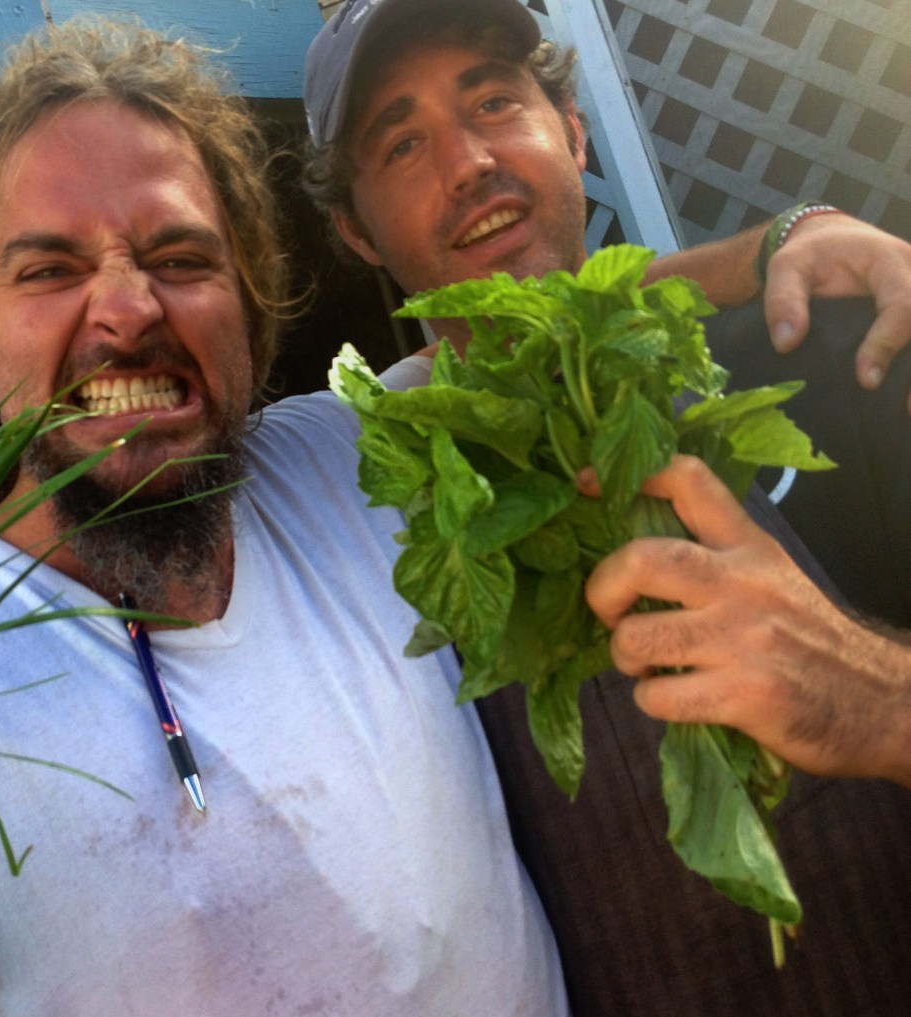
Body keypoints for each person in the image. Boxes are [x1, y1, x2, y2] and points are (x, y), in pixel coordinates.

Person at [0, 17, 567, 1016]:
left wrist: (759, 258)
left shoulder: (353, 460)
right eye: (49, 270)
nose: (128, 309)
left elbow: (536, 341)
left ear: (248, 299)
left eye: (181, 257)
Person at [300, 0, 911, 1014]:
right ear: (354, 230)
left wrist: (876, 701)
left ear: (575, 134)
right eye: (402, 143)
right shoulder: (374, 507)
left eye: (494, 103)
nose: (468, 163)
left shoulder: (833, 353)